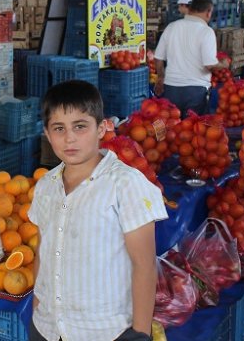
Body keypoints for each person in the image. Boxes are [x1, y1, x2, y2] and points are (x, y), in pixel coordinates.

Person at [28, 80, 167, 341]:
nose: (69, 138)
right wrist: (38, 308)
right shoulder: (46, 186)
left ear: (102, 128)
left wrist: (139, 333)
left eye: (80, 126)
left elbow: (144, 265)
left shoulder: (125, 184)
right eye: (59, 128)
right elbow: (42, 251)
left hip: (107, 332)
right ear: (47, 134)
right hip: (47, 328)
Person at [154, 0, 230, 115]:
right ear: (208, 12)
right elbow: (210, 65)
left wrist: (160, 77)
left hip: (171, 88)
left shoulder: (172, 27)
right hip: (196, 91)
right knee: (191, 130)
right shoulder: (206, 31)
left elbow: (158, 58)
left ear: (191, 9)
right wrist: (223, 64)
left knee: (172, 128)